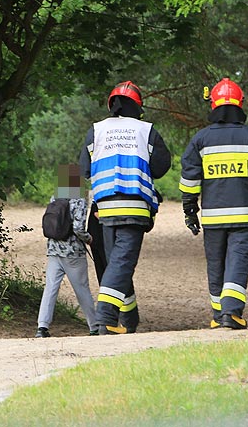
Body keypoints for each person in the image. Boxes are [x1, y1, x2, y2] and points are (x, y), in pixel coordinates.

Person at [179, 78, 248, 330]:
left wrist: (190, 210)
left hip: (213, 217)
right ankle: (231, 313)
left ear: (213, 104)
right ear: (240, 104)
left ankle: (219, 315)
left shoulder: (200, 140)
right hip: (243, 216)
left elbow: (189, 179)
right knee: (237, 261)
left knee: (216, 265)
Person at [80, 81, 171, 335]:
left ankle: (129, 318)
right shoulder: (146, 130)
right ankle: (105, 319)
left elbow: (84, 170)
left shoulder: (96, 131)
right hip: (134, 205)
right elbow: (162, 166)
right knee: (122, 262)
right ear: (138, 107)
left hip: (104, 207)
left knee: (116, 262)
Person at [35, 164, 98, 338]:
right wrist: (88, 238)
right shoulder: (79, 200)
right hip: (73, 253)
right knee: (82, 288)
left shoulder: (54, 197)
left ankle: (42, 327)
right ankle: (94, 326)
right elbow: (78, 228)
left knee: (50, 289)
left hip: (54, 250)